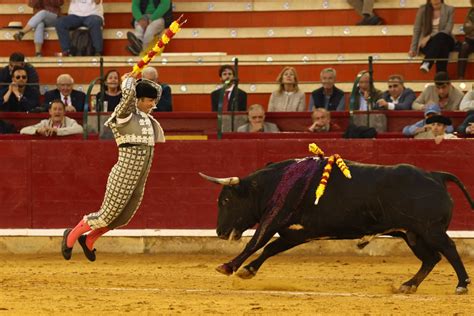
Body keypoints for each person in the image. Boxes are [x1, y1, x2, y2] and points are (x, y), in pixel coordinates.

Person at [61, 73, 165, 262]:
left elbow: (158, 90)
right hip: (124, 173)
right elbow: (126, 98)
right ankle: (72, 234)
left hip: (140, 176)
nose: (153, 104)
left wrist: (138, 79)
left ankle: (89, 238)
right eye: (149, 101)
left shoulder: (144, 116)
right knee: (106, 214)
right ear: (138, 100)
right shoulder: (124, 114)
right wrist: (128, 81)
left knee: (123, 217)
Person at [408, 0, 455, 73]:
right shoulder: (423, 9)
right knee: (442, 47)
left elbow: (448, 30)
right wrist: (413, 48)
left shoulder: (449, 9)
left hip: (446, 38)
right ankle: (441, 77)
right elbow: (417, 29)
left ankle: (427, 63)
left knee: (441, 36)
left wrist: (430, 36)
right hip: (429, 44)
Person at [457, 0, 474, 79]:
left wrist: (471, 26)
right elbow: (465, 29)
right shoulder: (470, 12)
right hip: (470, 39)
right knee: (463, 47)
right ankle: (460, 76)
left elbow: (469, 27)